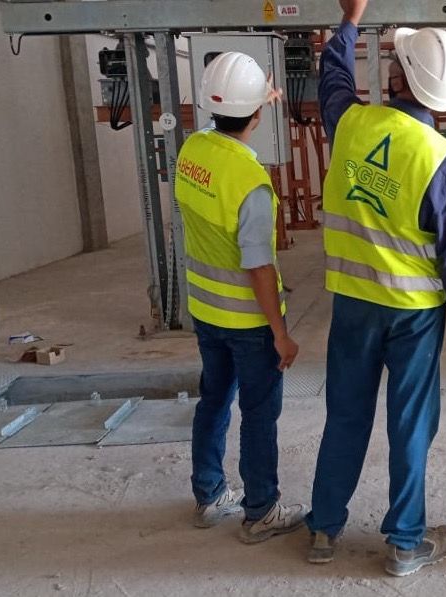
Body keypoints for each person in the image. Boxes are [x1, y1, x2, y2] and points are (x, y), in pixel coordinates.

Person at [305, 0, 446, 577]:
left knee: (345, 414)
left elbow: (333, 78)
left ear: (400, 79)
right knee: (410, 424)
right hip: (414, 316)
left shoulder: (351, 124)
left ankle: (323, 528)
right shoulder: (444, 163)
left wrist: (349, 22)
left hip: (354, 305)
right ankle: (405, 544)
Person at [175, 51, 307, 544]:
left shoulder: (192, 150)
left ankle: (209, 495)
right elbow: (258, 266)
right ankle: (260, 510)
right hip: (249, 323)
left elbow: (224, 122)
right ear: (255, 115)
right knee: (258, 413)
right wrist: (280, 333)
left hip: (205, 313)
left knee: (213, 400)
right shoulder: (251, 183)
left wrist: (256, 99)